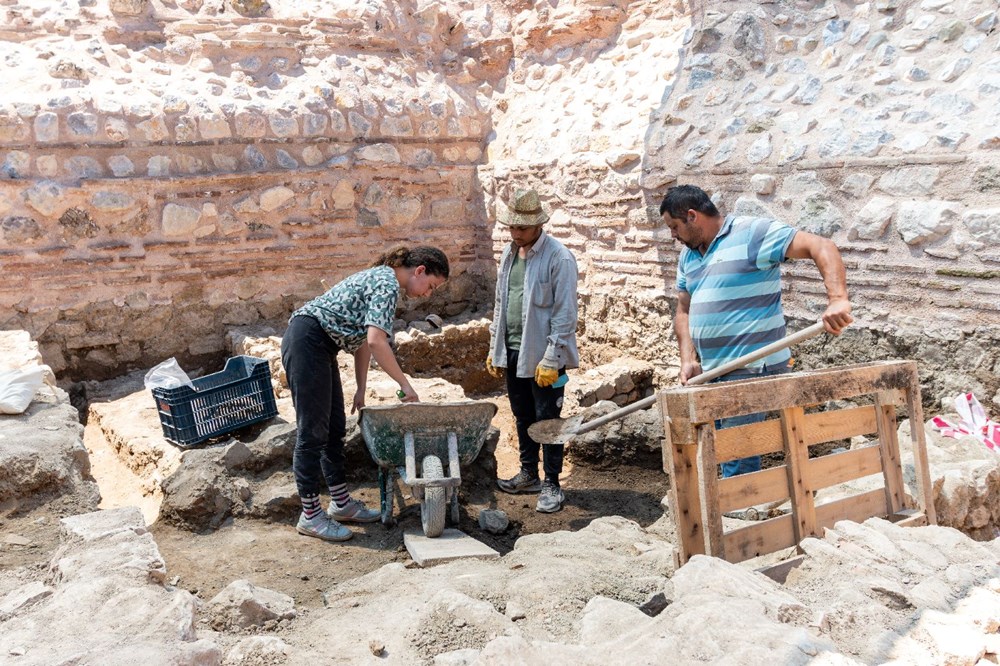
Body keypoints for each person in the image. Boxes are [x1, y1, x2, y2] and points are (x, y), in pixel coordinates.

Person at [659, 184, 853, 477]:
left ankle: (742, 511)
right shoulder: (688, 256)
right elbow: (683, 311)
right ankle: (736, 504)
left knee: (738, 453)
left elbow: (821, 246)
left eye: (674, 227)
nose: (673, 235)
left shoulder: (752, 234)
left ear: (691, 216)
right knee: (722, 448)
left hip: (752, 368)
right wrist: (688, 359)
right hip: (712, 371)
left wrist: (837, 300)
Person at [281, 246, 449, 541]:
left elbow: (362, 340)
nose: (427, 295)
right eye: (431, 286)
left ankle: (341, 503)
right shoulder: (386, 283)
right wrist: (405, 385)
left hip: (319, 346)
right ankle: (310, 515)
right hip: (307, 342)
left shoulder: (384, 281)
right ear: (420, 270)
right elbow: (376, 342)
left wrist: (360, 387)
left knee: (333, 430)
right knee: (312, 432)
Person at [487, 188, 579, 513]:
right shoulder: (510, 255)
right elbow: (501, 302)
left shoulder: (559, 257)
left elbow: (566, 314)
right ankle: (529, 473)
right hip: (514, 351)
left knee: (548, 420)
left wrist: (553, 357)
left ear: (537, 225)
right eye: (511, 227)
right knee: (523, 415)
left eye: (521, 229)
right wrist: (494, 347)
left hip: (544, 358)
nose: (515, 233)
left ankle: (552, 484)